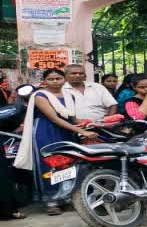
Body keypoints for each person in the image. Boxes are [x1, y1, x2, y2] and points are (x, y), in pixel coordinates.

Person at [14, 68, 96, 215]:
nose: (55, 81)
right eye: (51, 79)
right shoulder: (40, 95)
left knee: (68, 164)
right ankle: (51, 200)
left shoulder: (69, 94)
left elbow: (72, 118)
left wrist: (93, 124)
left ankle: (66, 198)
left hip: (66, 130)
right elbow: (54, 118)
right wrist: (82, 131)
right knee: (49, 165)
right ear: (44, 81)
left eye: (58, 78)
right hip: (46, 131)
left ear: (64, 79)